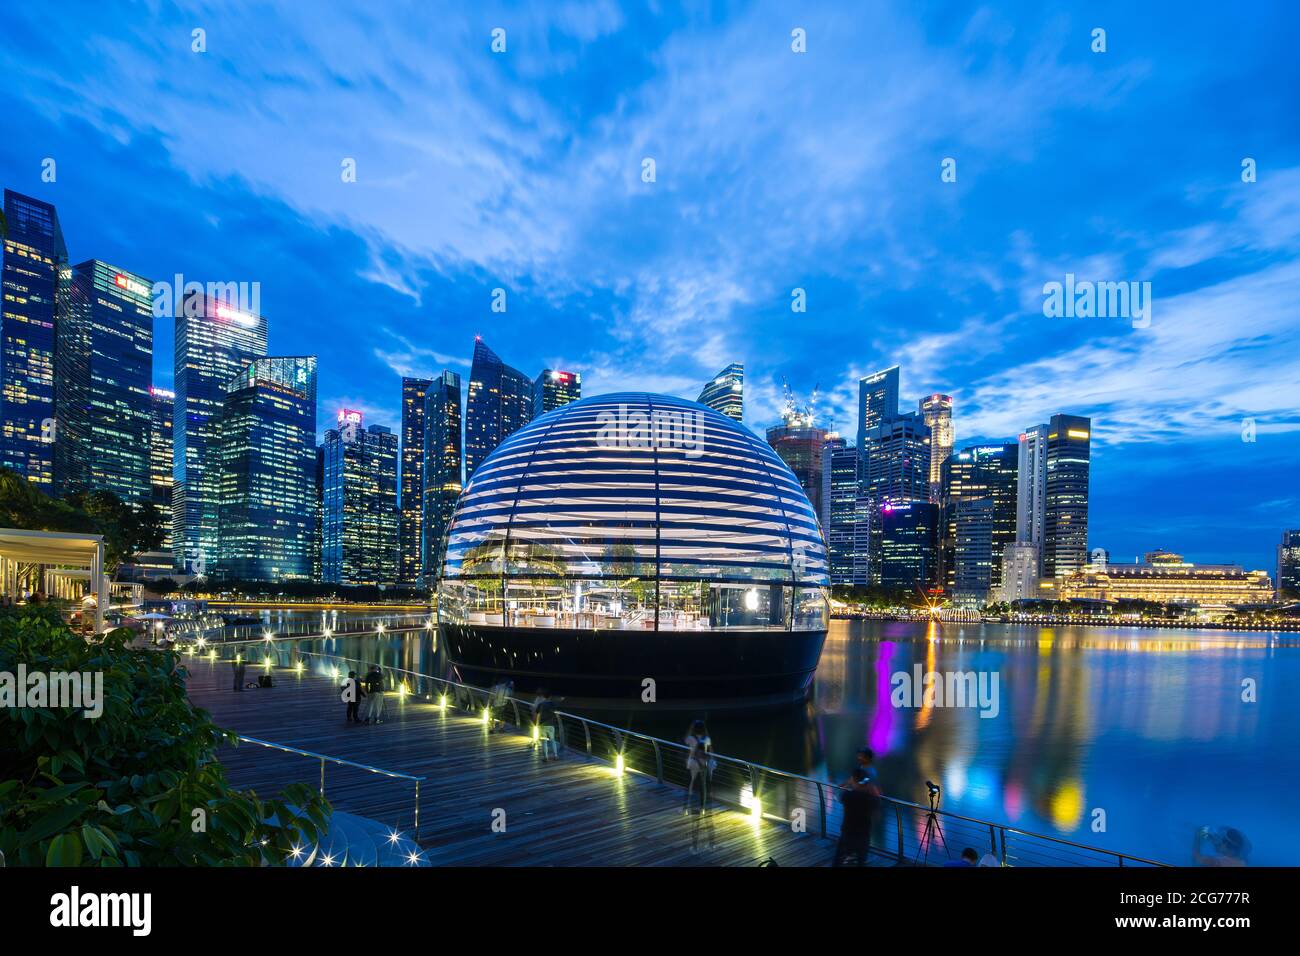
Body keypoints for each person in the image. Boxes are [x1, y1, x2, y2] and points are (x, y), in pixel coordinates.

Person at [833, 766, 880, 866]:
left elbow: (837, 794)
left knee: (839, 859)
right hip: (863, 834)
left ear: (853, 780)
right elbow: (877, 802)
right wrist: (872, 789)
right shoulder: (869, 798)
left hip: (847, 832)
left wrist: (848, 783)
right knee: (861, 861)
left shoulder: (847, 796)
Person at [683, 720, 714, 813]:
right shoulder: (707, 739)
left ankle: (685, 809)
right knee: (702, 786)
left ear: (694, 729)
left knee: (689, 786)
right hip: (703, 764)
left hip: (692, 763)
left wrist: (690, 728)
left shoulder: (691, 738)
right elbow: (710, 751)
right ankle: (702, 809)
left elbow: (685, 740)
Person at [535, 689, 559, 761]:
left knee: (544, 741)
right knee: (552, 740)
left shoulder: (541, 704)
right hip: (551, 724)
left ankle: (546, 757)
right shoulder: (553, 704)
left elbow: (537, 712)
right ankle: (555, 755)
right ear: (550, 697)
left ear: (544, 696)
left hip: (542, 724)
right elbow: (556, 710)